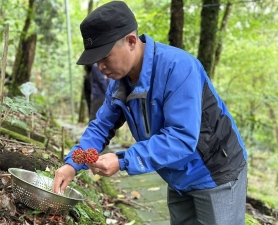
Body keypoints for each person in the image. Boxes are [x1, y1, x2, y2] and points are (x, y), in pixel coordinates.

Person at [52, 1, 248, 225]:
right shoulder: (119, 85)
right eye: (96, 61)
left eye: (105, 57)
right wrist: (72, 164)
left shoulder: (179, 67)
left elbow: (182, 138)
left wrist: (124, 160)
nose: (100, 67)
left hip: (215, 172)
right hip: (176, 174)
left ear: (131, 41)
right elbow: (101, 127)